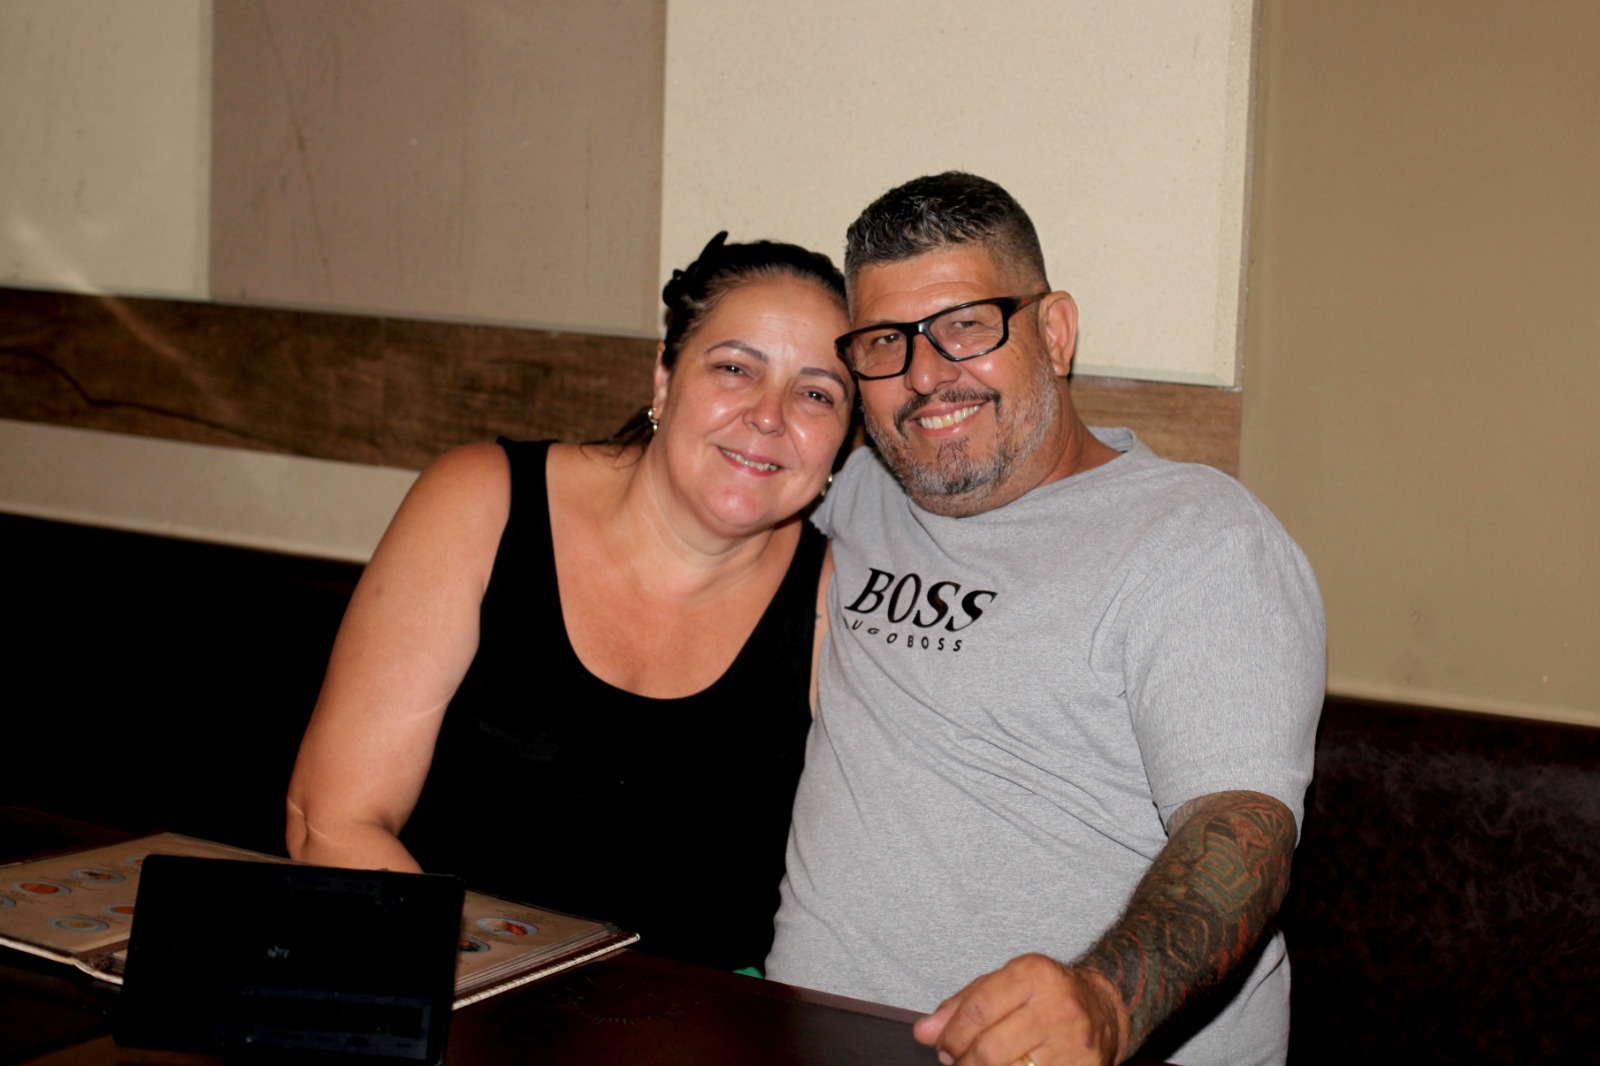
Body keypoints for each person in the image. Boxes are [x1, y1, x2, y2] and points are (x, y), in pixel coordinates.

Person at [765, 173, 1325, 1066]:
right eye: (885, 342)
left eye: (966, 326)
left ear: (1055, 333)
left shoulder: (1197, 538)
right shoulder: (857, 489)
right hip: (809, 1038)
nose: (924, 376)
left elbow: (1241, 826)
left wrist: (1105, 1002)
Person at [286, 233, 856, 972]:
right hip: (447, 989)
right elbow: (333, 821)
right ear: (664, 378)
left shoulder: (842, 601)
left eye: (816, 394)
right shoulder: (483, 501)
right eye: (734, 368)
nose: (769, 415)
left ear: (844, 441)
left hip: (705, 1021)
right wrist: (468, 996)